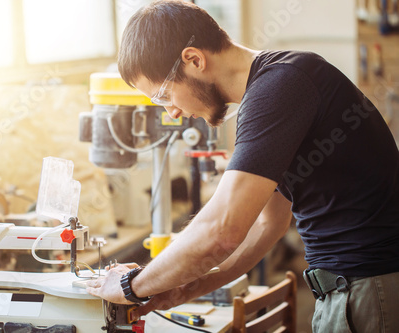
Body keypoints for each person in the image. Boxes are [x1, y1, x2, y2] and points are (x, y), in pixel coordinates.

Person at [86, 1, 399, 331]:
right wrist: (182, 287)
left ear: (194, 60)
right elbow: (269, 224)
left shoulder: (278, 88)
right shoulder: (280, 82)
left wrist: (130, 286)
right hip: (357, 287)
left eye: (165, 97)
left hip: (366, 290)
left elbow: (222, 231)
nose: (172, 113)